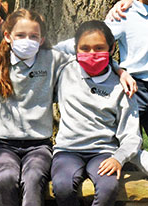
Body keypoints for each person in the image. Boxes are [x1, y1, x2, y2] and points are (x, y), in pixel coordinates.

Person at [0, 8, 71, 206]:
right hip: (3, 145)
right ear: (8, 36)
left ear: (41, 40)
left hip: (39, 146)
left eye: (34, 36)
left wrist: (119, 70)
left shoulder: (51, 58)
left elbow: (86, 57)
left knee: (33, 179)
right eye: (21, 35)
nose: (27, 40)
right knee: (6, 178)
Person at [51, 20, 142, 206]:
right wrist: (118, 67)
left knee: (108, 188)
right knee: (62, 186)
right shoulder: (64, 70)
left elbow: (132, 136)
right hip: (68, 151)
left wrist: (118, 158)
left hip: (103, 152)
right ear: (76, 49)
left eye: (99, 48)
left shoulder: (123, 87)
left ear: (111, 48)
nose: (92, 54)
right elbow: (49, 49)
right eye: (84, 48)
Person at [105, 0, 148, 173]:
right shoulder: (125, 14)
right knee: (129, 145)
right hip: (135, 87)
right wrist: (118, 70)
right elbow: (93, 42)